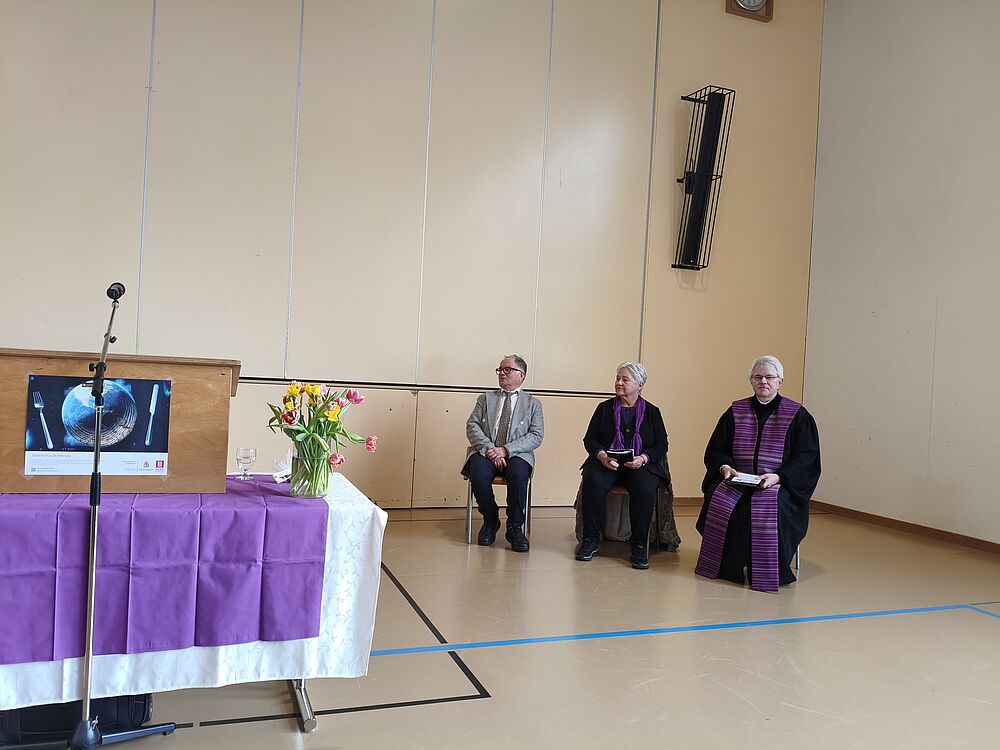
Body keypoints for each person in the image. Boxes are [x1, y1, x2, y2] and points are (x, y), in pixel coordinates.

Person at [695, 355, 821, 592]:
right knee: (717, 498)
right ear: (751, 381)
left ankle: (766, 570)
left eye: (769, 377)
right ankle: (726, 567)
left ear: (780, 381)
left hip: (777, 484)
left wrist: (778, 476)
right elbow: (717, 449)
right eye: (758, 377)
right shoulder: (735, 411)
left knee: (772, 507)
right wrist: (725, 467)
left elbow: (807, 458)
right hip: (737, 480)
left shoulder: (797, 415)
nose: (763, 381)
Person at [576, 362, 669, 570]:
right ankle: (590, 540)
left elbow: (662, 445)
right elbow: (590, 439)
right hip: (606, 463)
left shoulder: (652, 412)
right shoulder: (604, 408)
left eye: (625, 379)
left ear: (640, 385)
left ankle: (639, 545)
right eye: (617, 378)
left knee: (645, 487)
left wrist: (643, 458)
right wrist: (601, 455)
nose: (619, 383)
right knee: (593, 479)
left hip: (639, 465)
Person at [462, 355, 544, 552]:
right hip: (486, 451)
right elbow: (472, 425)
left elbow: (536, 435)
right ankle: (490, 519)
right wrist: (491, 450)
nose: (502, 373)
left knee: (518, 473)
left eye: (507, 369)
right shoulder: (485, 399)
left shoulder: (533, 404)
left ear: (521, 375)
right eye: (500, 370)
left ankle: (514, 526)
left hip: (517, 454)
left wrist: (506, 450)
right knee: (478, 472)